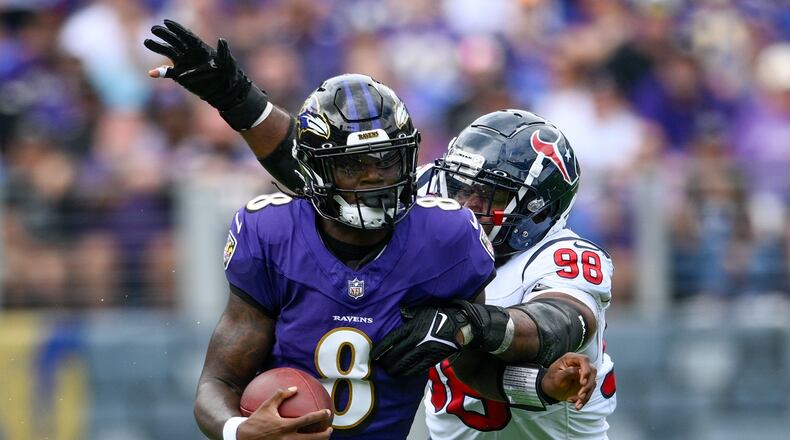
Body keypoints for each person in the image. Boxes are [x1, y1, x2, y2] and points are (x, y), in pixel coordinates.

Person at [144, 20, 599, 439]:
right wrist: (238, 98)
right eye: (463, 188)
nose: (375, 179)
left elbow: (507, 350)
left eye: (492, 196)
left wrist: (483, 336)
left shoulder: (454, 236)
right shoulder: (279, 229)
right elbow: (308, 159)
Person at [376, 109, 618, 439]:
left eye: (492, 195)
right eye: (463, 187)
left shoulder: (564, 255)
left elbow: (558, 322)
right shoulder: (431, 204)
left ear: (539, 209)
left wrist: (472, 324)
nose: (467, 205)